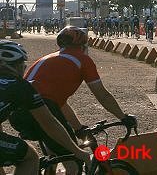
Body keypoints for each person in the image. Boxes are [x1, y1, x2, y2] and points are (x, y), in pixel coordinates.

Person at [10, 26, 137, 172]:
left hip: (19, 114)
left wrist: (78, 128)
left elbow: (60, 103)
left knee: (55, 157)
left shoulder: (48, 58)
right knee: (74, 162)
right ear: (83, 46)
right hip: (44, 110)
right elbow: (102, 95)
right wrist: (123, 117)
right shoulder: (82, 60)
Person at [0, 40, 90, 174]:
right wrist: (78, 152)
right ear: (8, 66)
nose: (23, 68)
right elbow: (49, 123)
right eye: (21, 65)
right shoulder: (20, 86)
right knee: (30, 157)